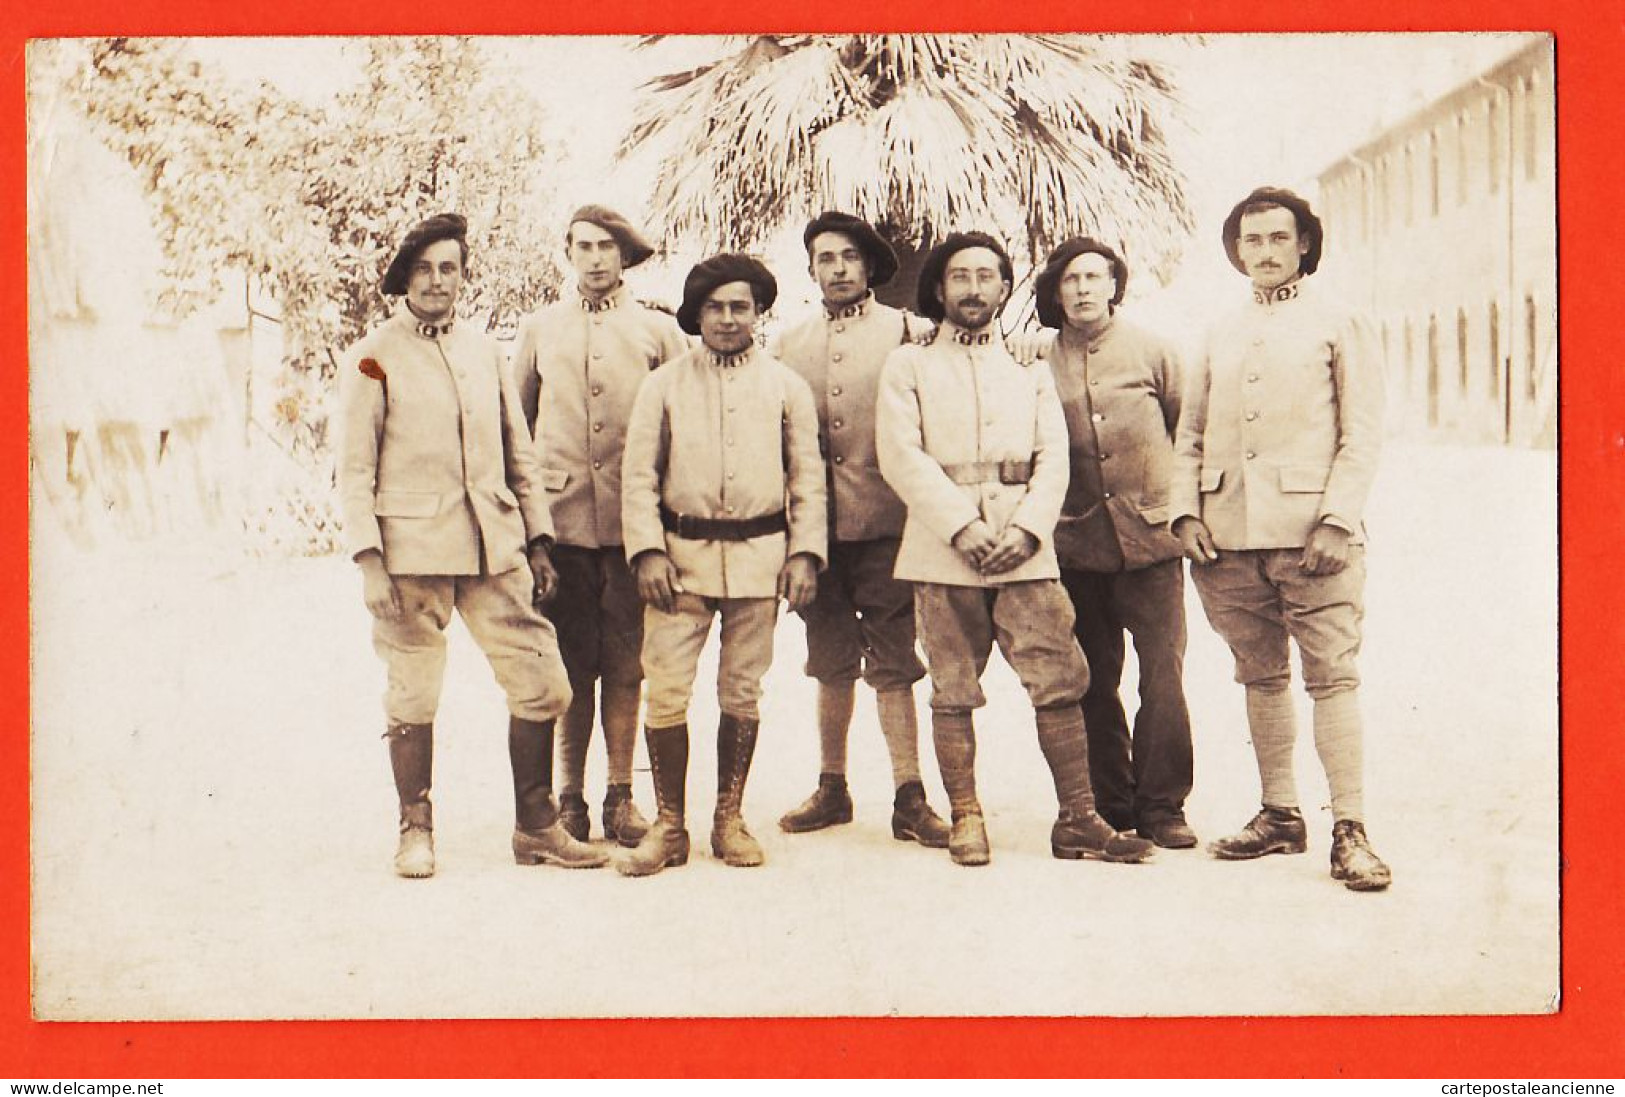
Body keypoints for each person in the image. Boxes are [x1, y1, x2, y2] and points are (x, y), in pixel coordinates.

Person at [337, 212, 607, 878]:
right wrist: (370, 561)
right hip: (410, 554)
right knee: (412, 693)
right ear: (405, 276)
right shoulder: (373, 354)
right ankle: (415, 828)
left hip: (493, 549)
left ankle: (537, 826)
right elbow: (354, 470)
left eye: (449, 267)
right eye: (424, 268)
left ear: (463, 274)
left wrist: (537, 540)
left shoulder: (486, 352)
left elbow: (522, 454)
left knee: (542, 680)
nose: (437, 280)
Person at [874, 231, 1155, 868]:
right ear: (939, 288)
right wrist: (961, 527)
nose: (973, 289)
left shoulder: (1027, 371)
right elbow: (901, 455)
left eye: (986, 276)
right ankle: (967, 817)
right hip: (944, 548)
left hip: (1025, 549)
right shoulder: (909, 367)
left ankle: (1080, 819)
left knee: (1059, 679)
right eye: (959, 277)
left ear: (1005, 288)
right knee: (952, 687)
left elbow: (1054, 458)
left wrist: (1029, 529)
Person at [1170, 186, 1391, 891]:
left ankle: (1349, 828)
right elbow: (1191, 435)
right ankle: (1278, 812)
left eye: (1277, 238)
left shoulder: (1339, 321)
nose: (1263, 251)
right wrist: (1185, 513)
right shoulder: (1217, 331)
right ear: (1235, 250)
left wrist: (1336, 519)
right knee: (1258, 675)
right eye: (1250, 239)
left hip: (1312, 538)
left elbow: (1361, 433)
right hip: (1227, 540)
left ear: (1303, 245)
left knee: (1332, 676)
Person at [617, 253, 827, 876]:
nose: (728, 319)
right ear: (696, 314)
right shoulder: (664, 386)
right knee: (668, 690)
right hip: (679, 564)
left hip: (761, 562)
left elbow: (807, 479)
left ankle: (728, 818)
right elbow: (638, 478)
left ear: (759, 313)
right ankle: (670, 825)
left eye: (741, 306)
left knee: (742, 687)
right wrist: (648, 550)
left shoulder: (787, 387)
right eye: (715, 307)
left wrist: (806, 554)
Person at [770, 211, 949, 848]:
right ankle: (832, 786)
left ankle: (909, 792)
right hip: (817, 535)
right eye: (825, 258)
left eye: (849, 257)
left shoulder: (914, 333)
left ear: (869, 266)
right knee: (828, 662)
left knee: (896, 660)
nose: (838, 269)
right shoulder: (788, 344)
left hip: (892, 527)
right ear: (812, 268)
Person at [513, 205, 689, 848]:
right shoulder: (539, 330)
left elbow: (679, 430)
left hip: (632, 528)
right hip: (560, 527)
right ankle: (570, 799)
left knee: (626, 663)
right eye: (583, 246)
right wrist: (530, 533)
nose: (594, 259)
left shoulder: (658, 333)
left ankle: (620, 795)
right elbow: (517, 433)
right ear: (568, 251)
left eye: (606, 248)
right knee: (567, 665)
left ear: (625, 257)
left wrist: (662, 527)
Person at [1030, 237, 1196, 850]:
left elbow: (1186, 434)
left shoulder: (1155, 351)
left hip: (1151, 542)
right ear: (1056, 290)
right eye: (1070, 279)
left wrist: (1179, 514)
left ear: (1113, 286)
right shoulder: (1039, 361)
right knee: (1093, 679)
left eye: (1094, 278)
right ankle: (1110, 800)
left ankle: (1163, 805)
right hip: (1077, 546)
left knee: (1163, 676)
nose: (1082, 290)